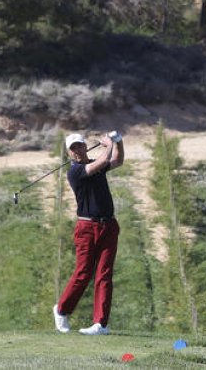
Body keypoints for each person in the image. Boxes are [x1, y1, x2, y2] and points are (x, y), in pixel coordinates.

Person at [53, 131, 125, 335]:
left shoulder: (97, 165)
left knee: (105, 274)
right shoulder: (75, 172)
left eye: (79, 146)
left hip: (108, 226)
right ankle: (61, 310)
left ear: (85, 146)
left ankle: (100, 324)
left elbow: (117, 160)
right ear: (69, 153)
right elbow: (100, 163)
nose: (77, 151)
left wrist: (118, 143)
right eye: (72, 148)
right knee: (83, 273)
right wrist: (108, 145)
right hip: (86, 229)